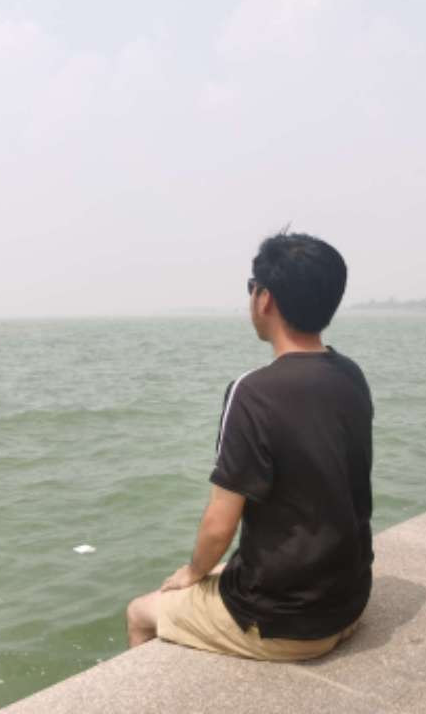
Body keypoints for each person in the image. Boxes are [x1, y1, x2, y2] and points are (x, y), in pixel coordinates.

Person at [125, 230, 374, 661]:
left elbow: (219, 525)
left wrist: (193, 571)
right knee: (226, 569)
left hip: (287, 624)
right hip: (349, 600)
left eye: (252, 287)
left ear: (265, 299)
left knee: (139, 612)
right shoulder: (350, 374)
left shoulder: (253, 392)